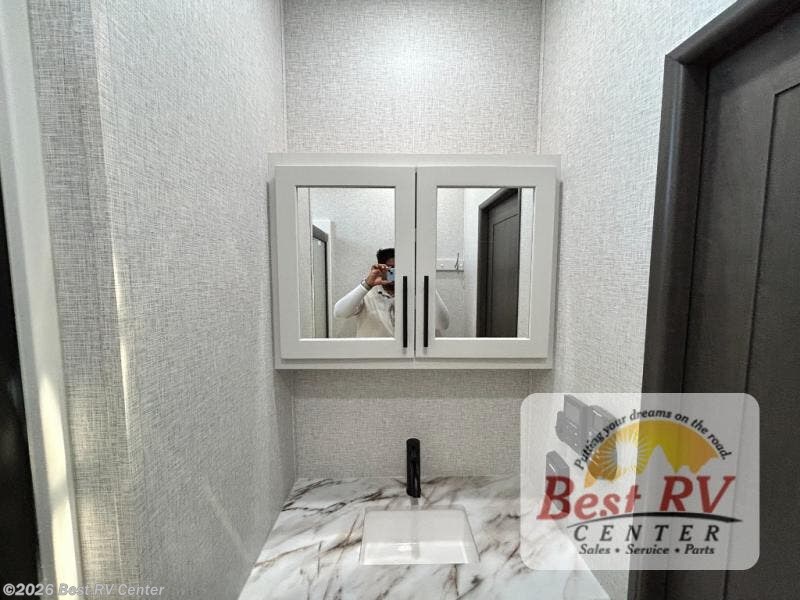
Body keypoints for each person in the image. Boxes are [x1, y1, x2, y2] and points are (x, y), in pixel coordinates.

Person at [333, 247, 449, 337]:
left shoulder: (417, 294)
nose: (396, 273)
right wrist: (367, 284)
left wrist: (425, 283)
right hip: (372, 357)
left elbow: (442, 324)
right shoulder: (367, 294)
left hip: (408, 357)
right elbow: (339, 313)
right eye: (391, 268)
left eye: (402, 268)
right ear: (381, 268)